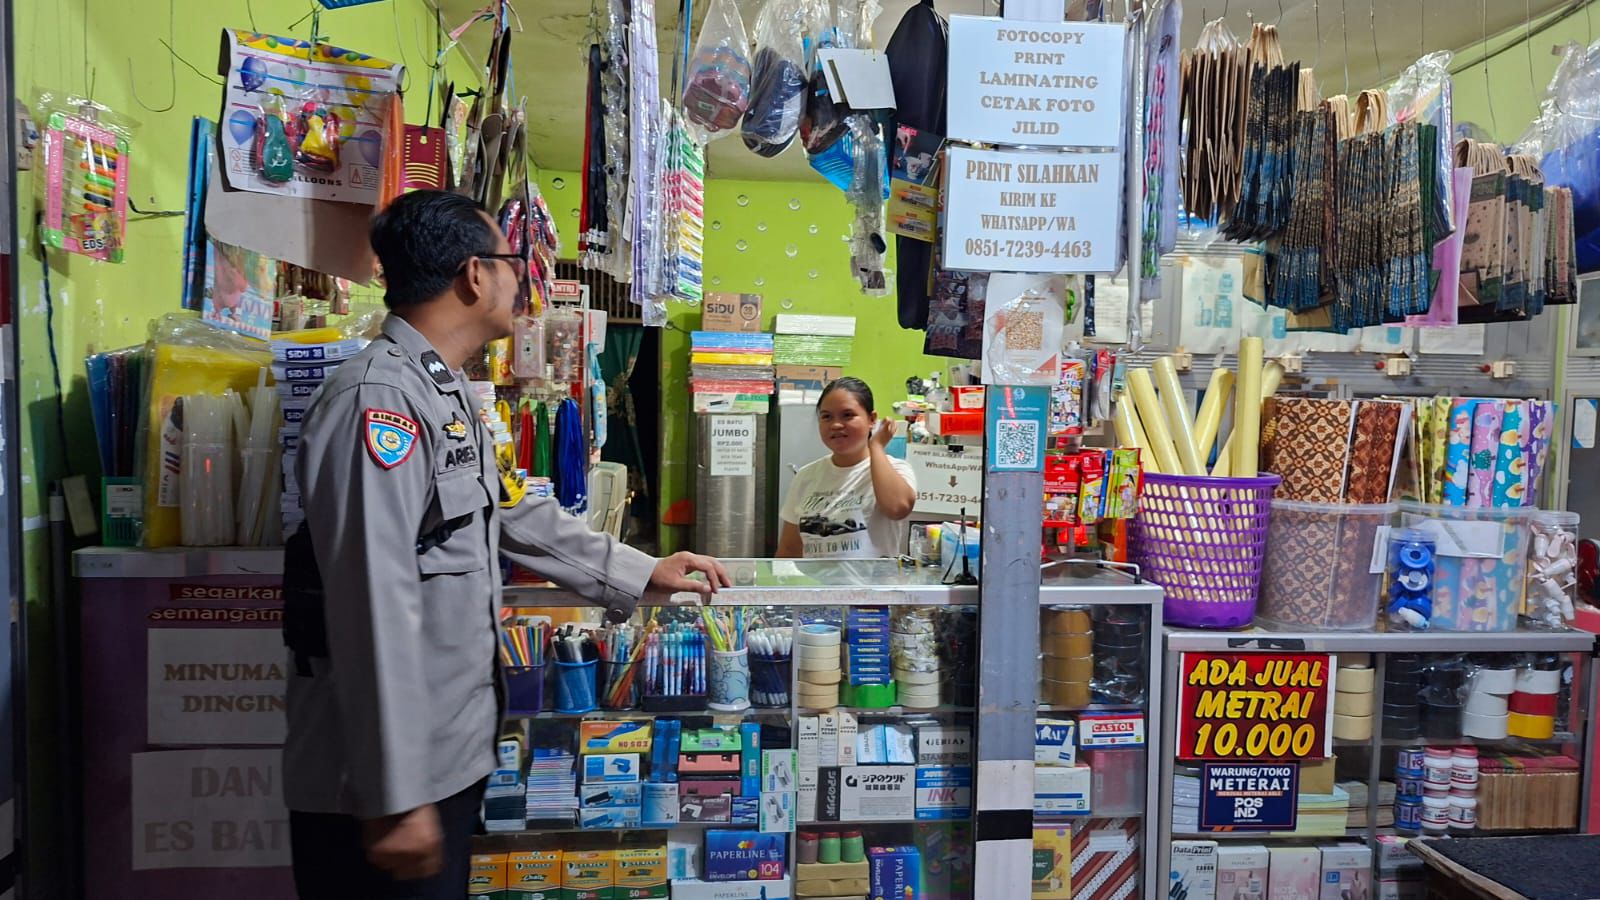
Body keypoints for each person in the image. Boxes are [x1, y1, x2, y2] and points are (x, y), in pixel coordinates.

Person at [283, 190, 729, 900]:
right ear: (472, 276)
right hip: (376, 786)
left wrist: (643, 571)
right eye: (510, 262)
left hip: (442, 761)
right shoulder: (380, 402)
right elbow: (373, 599)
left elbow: (511, 511)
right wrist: (396, 794)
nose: (520, 279)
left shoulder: (444, 393)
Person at [777, 377, 918, 559]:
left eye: (847, 415)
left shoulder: (895, 469)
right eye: (827, 417)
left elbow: (897, 508)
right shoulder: (806, 475)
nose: (835, 425)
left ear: (872, 419)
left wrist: (876, 446)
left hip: (874, 587)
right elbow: (789, 550)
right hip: (817, 587)